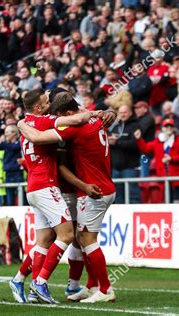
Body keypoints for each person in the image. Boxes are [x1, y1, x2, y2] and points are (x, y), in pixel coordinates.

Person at [18, 91, 116, 303]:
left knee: (79, 238)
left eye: (57, 112)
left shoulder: (75, 129)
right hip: (92, 186)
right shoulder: (94, 120)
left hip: (88, 189)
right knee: (74, 239)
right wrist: (106, 112)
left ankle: (104, 290)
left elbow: (37, 138)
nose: (55, 118)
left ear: (68, 112)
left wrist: (21, 124)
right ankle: (89, 286)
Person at [134, 118, 179, 202]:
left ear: (173, 128)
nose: (168, 128)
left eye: (170, 126)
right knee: (167, 201)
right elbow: (145, 149)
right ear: (162, 129)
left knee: (178, 201)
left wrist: (171, 158)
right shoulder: (158, 141)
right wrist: (139, 139)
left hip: (177, 177)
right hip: (163, 177)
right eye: (166, 126)